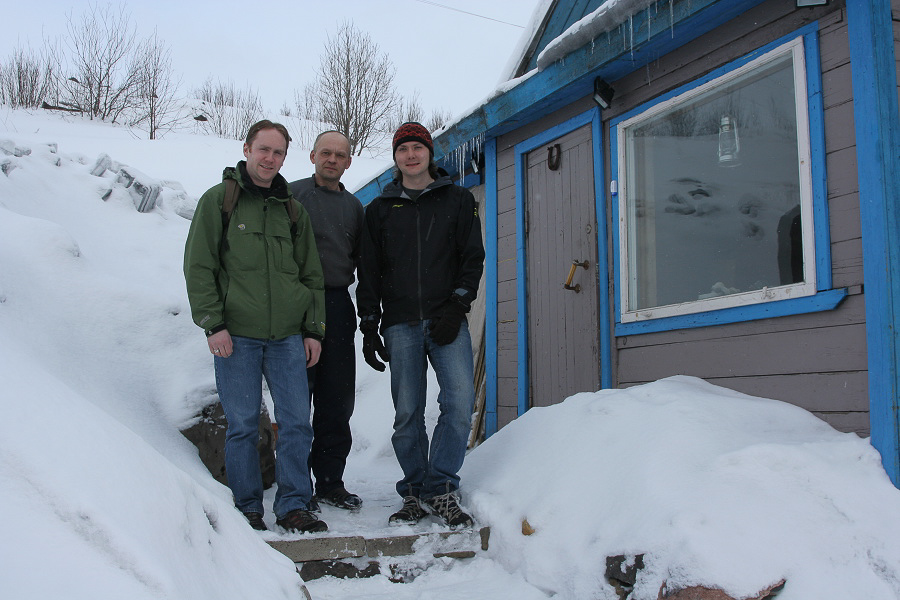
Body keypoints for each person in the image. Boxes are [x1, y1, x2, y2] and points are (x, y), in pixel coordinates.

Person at [184, 120, 328, 534]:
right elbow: (199, 266)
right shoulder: (219, 201)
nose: (270, 158)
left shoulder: (292, 210)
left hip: (287, 338)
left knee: (297, 424)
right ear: (247, 149)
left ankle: (294, 506)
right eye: (263, 149)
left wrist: (313, 330)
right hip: (237, 336)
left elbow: (311, 274)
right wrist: (213, 324)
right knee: (244, 425)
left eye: (278, 152)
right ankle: (247, 508)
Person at [356, 122, 485, 528]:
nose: (411, 155)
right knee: (407, 412)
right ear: (395, 158)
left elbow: (472, 259)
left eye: (417, 148)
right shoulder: (379, 209)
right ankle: (414, 490)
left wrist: (457, 306)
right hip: (400, 324)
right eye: (403, 149)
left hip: (447, 320)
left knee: (459, 404)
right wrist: (369, 323)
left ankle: (441, 486)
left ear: (430, 152)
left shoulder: (458, 200)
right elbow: (369, 270)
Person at [289, 131, 365, 511]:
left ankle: (331, 481)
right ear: (313, 156)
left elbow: (363, 260)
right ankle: (296, 485)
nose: (332, 160)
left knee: (336, 400)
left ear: (348, 162)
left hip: (336, 304)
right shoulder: (291, 196)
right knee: (296, 399)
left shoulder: (354, 207)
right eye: (325, 153)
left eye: (339, 155)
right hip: (296, 303)